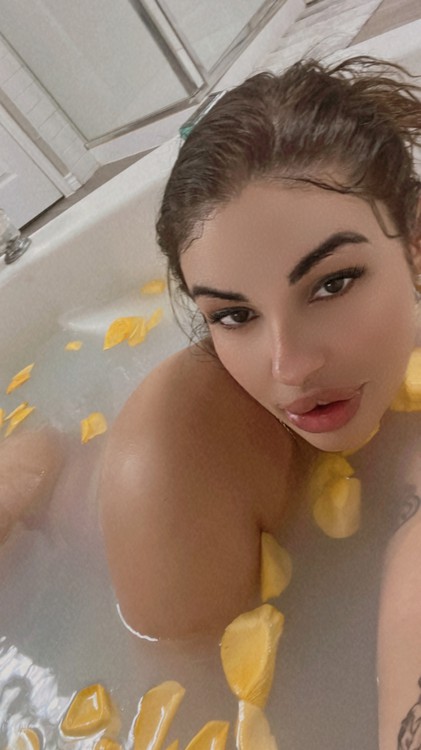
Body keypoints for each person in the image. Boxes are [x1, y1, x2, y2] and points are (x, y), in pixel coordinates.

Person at [97, 56, 421, 744]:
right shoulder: (168, 470)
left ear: (415, 246)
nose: (289, 367)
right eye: (234, 315)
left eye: (332, 284)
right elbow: (195, 696)